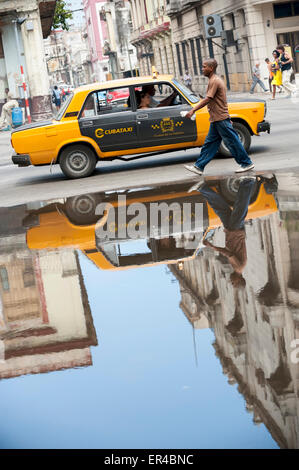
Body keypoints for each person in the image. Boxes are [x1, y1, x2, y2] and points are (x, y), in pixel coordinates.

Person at [184, 58, 254, 176]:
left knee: (232, 142)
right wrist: (228, 116)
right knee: (210, 144)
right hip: (218, 118)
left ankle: (246, 163)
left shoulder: (215, 81)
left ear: (211, 68)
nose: (202, 69)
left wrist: (192, 110)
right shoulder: (214, 80)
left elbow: (208, 99)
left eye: (204, 66)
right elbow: (221, 101)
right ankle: (199, 167)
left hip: (220, 119)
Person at [198, 177, 256, 289]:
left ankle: (203, 188)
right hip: (235, 230)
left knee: (221, 208)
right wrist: (212, 247)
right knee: (240, 207)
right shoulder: (239, 268)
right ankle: (249, 181)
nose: (231, 281)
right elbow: (229, 254)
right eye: (233, 283)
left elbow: (231, 251)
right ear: (239, 280)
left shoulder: (237, 268)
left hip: (231, 231)